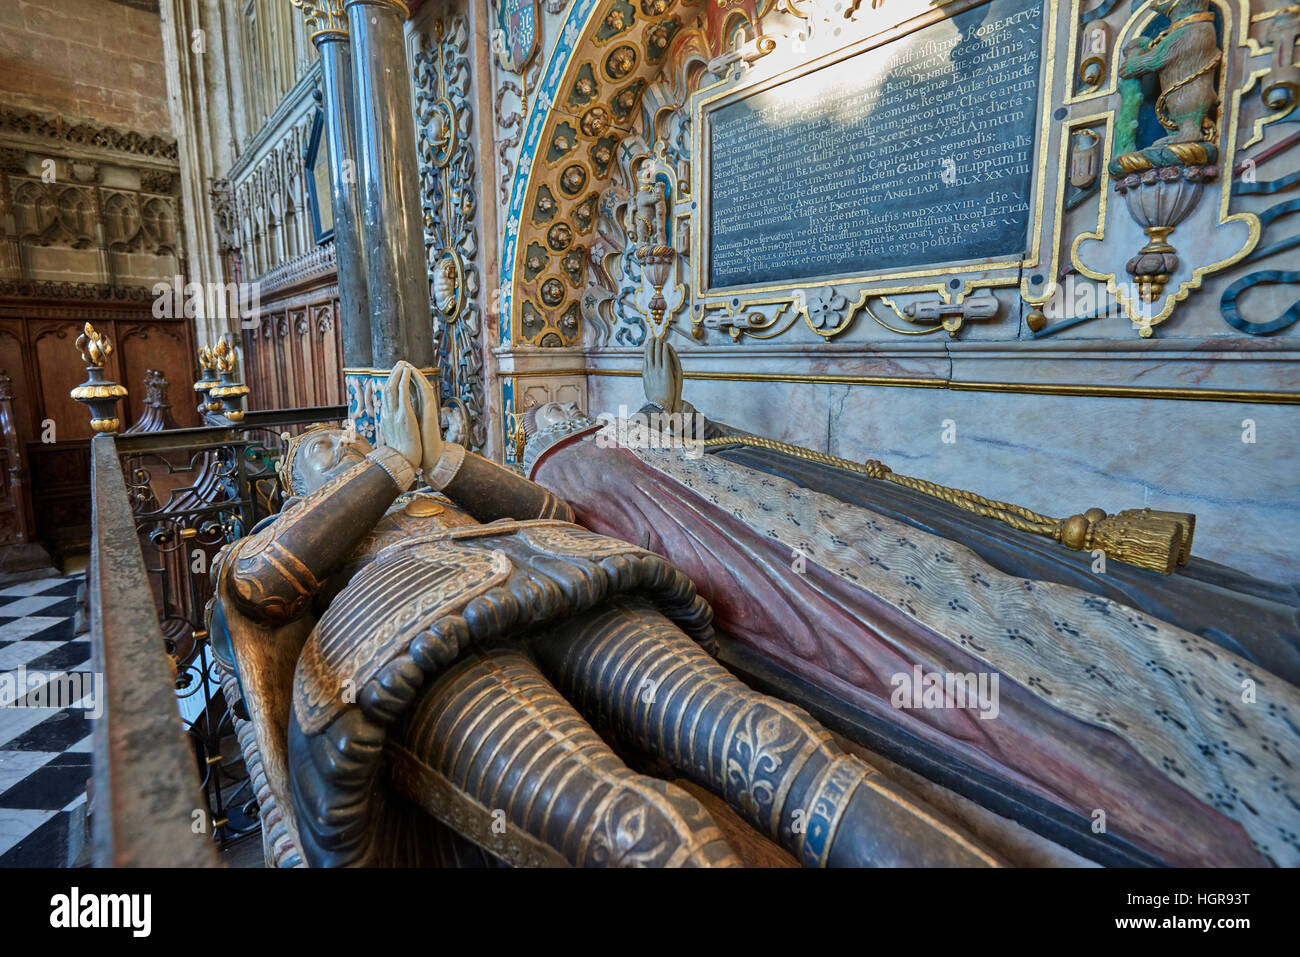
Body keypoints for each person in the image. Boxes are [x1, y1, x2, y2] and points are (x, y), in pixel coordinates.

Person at [527, 340, 1300, 867]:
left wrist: (668, 414)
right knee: (906, 631)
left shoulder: (618, 441)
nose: (543, 416)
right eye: (537, 421)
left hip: (812, 524)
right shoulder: (569, 478)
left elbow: (757, 463)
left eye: (548, 414)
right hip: (756, 556)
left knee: (963, 590)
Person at [209, 362, 996, 867]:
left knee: (774, 743)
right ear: (295, 486)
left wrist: (439, 460)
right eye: (323, 447)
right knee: (639, 829)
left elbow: (551, 506)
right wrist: (382, 466)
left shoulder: (423, 484)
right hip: (414, 627)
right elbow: (261, 588)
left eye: (347, 437)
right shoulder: (289, 528)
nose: (342, 443)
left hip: (558, 577)